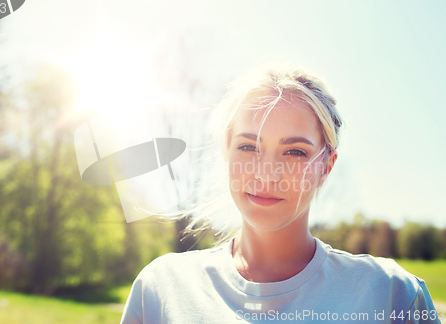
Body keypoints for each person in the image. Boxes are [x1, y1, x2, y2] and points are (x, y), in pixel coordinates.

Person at [120, 65, 442, 323]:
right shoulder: (160, 290)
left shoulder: (392, 296)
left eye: (295, 152)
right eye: (248, 147)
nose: (266, 173)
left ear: (326, 167)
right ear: (226, 153)